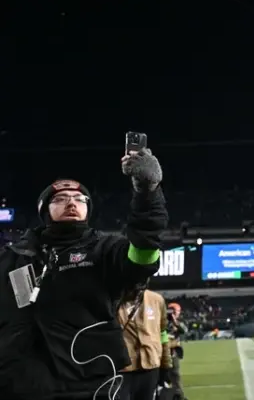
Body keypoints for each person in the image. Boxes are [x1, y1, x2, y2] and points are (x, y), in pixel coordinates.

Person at [0, 149, 167, 400]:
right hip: (22, 385)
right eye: (60, 199)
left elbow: (144, 256)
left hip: (92, 384)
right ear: (44, 210)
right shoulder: (14, 257)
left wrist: (147, 195)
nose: (71, 203)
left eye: (80, 199)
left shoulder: (105, 249)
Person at [117, 287, 174, 400]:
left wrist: (166, 365)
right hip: (122, 369)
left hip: (150, 367)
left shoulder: (156, 300)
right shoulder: (112, 300)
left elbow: (162, 333)